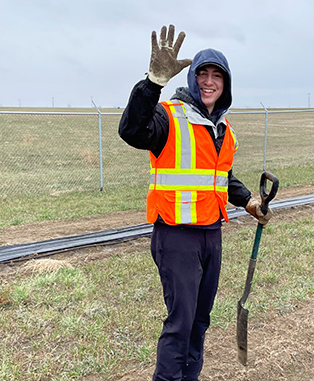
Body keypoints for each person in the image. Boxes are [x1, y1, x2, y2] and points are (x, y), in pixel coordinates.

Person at [118, 24, 271, 381]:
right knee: (180, 324)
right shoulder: (169, 117)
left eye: (217, 75)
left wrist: (248, 200)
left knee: (200, 321)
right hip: (176, 237)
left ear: (225, 84)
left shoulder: (224, 130)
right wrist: (152, 84)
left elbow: (221, 177)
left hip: (210, 236)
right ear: (191, 77)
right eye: (202, 73)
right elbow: (131, 130)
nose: (208, 81)